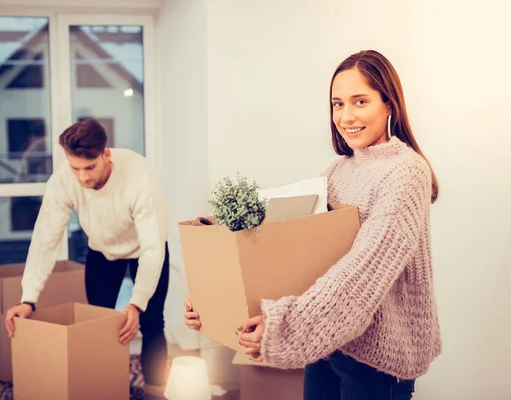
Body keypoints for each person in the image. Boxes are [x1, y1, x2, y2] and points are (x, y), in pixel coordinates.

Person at [184, 50, 442, 399]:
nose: (346, 116)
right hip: (329, 344)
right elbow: (290, 250)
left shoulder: (407, 172)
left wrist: (286, 326)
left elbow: (363, 271)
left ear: (389, 104)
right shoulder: (338, 171)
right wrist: (214, 300)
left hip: (377, 362)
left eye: (360, 101)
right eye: (337, 104)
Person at [5, 118, 172, 399]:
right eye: (75, 168)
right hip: (102, 250)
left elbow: (153, 248)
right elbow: (45, 238)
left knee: (152, 322)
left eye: (90, 167)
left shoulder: (139, 176)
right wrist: (28, 298)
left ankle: (156, 394)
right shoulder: (63, 180)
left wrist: (137, 302)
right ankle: (105, 389)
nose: (82, 177)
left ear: (106, 155)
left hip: (147, 248)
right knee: (99, 325)